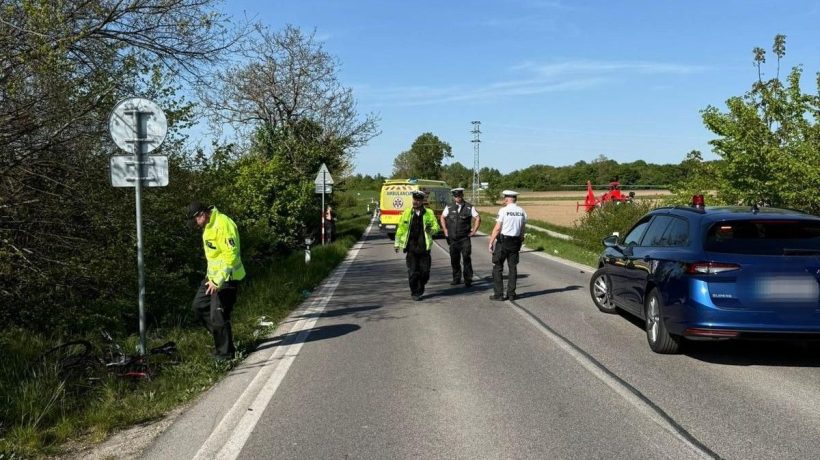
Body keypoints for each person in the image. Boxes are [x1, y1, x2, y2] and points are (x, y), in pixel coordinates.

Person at [187, 202, 246, 360]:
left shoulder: (223, 223)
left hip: (227, 278)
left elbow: (231, 255)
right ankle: (224, 341)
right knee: (199, 307)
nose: (195, 224)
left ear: (202, 214)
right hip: (211, 278)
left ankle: (225, 356)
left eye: (195, 220)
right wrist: (211, 279)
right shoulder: (208, 225)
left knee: (218, 315)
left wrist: (218, 281)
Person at [394, 190, 441, 301]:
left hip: (424, 248)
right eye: (414, 199)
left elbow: (436, 227)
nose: (416, 202)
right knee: (413, 272)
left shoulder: (429, 213)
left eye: (418, 200)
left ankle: (420, 285)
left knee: (425, 273)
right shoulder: (407, 213)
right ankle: (416, 292)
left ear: (422, 201)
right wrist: (397, 243)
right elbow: (400, 228)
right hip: (411, 248)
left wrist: (431, 230)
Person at [488, 190, 527, 301]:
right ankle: (511, 294)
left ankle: (499, 294)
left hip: (503, 242)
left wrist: (491, 241)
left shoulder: (503, 210)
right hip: (515, 242)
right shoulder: (522, 211)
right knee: (512, 268)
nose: (504, 199)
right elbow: (522, 228)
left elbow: (497, 228)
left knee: (498, 267)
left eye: (505, 198)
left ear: (507, 199)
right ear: (515, 199)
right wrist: (521, 238)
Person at [440, 187, 480, 287]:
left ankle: (468, 279)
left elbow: (478, 218)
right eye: (456, 196)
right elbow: (442, 217)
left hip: (464, 238)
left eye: (459, 196)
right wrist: (445, 230)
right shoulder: (449, 206)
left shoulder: (469, 207)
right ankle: (456, 278)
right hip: (453, 239)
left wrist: (474, 231)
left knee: (466, 258)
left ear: (462, 195)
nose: (457, 198)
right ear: (453, 197)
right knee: (454, 259)